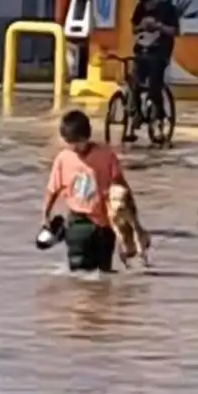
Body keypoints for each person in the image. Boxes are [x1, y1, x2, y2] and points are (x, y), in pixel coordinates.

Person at [42, 110, 135, 273]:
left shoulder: (106, 156)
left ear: (87, 137)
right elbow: (52, 190)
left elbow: (121, 186)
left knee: (103, 273)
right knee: (79, 273)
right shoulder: (63, 159)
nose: (74, 147)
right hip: (78, 223)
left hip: (105, 226)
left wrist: (131, 223)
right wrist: (45, 215)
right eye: (69, 143)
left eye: (77, 142)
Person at [129, 0, 179, 141]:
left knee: (154, 83)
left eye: (151, 2)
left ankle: (158, 114)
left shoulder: (168, 9)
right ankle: (135, 114)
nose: (149, 6)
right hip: (142, 49)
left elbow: (175, 31)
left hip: (160, 51)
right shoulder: (140, 9)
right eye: (146, 4)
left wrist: (159, 26)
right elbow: (133, 28)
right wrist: (141, 26)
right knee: (133, 80)